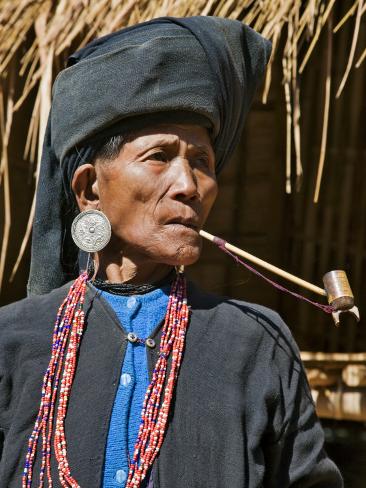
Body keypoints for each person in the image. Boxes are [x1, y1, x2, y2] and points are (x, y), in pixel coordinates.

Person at [0, 16, 342, 488]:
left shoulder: (257, 343)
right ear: (89, 190)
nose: (189, 186)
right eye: (159, 156)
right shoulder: (13, 339)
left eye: (201, 161)